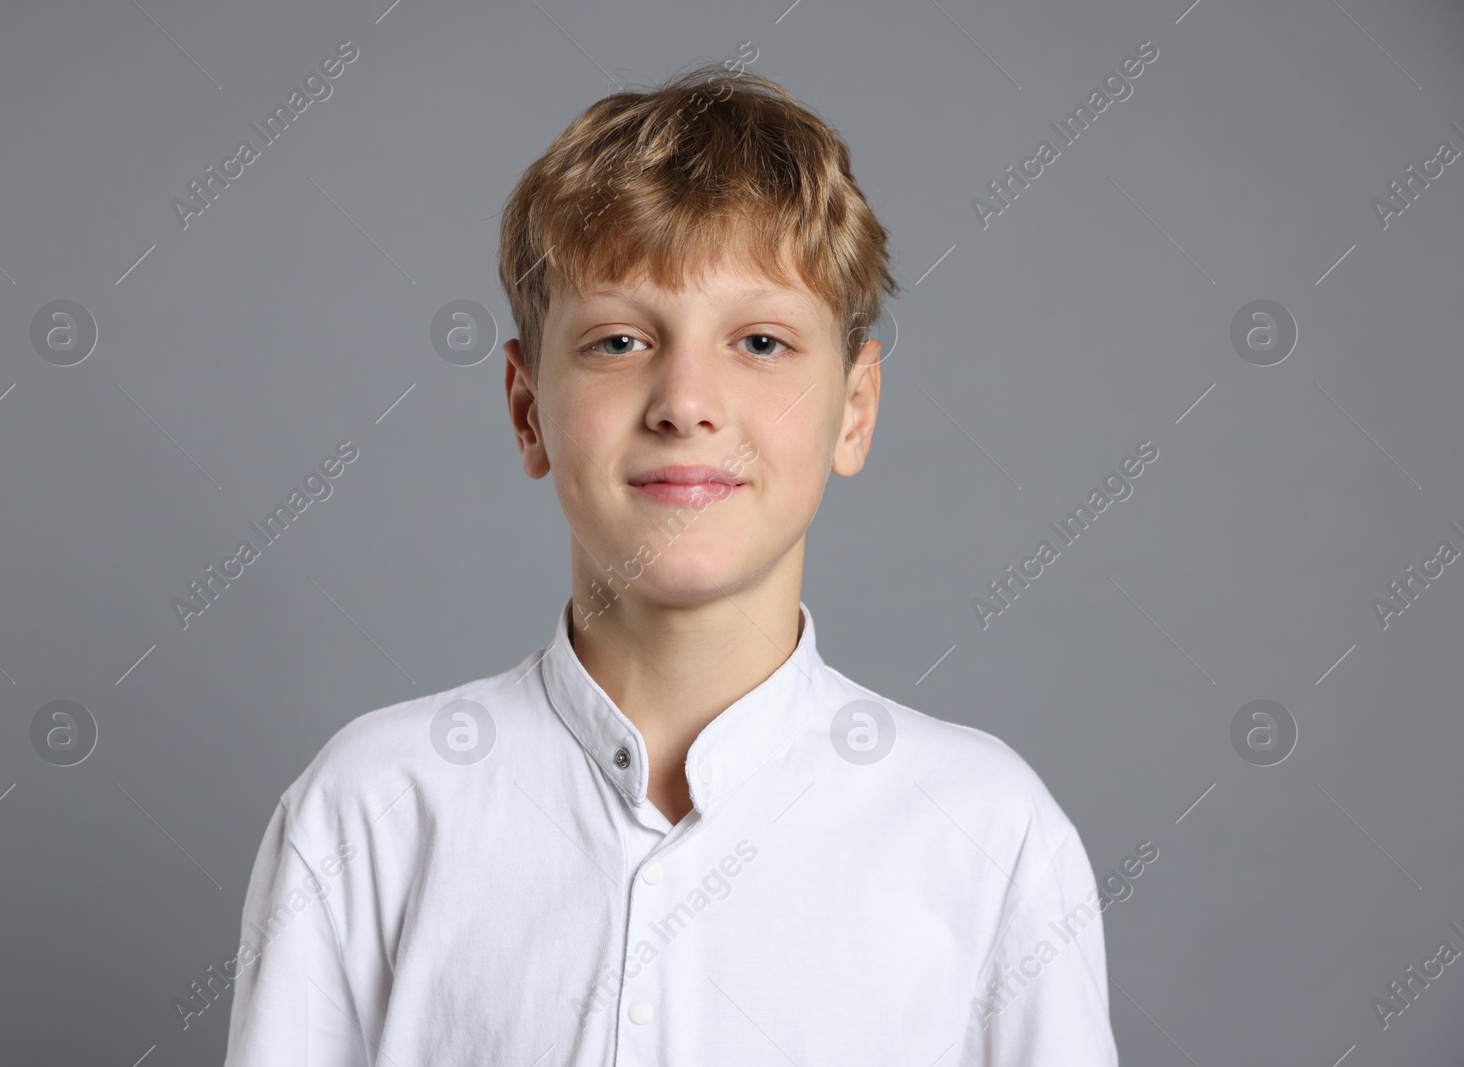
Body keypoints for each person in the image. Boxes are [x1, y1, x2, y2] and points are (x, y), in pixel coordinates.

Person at [222, 59, 1119, 1066]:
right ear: (527, 410)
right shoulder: (371, 812)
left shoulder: (984, 834)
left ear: (854, 408)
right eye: (616, 341)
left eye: (762, 342)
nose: (685, 400)